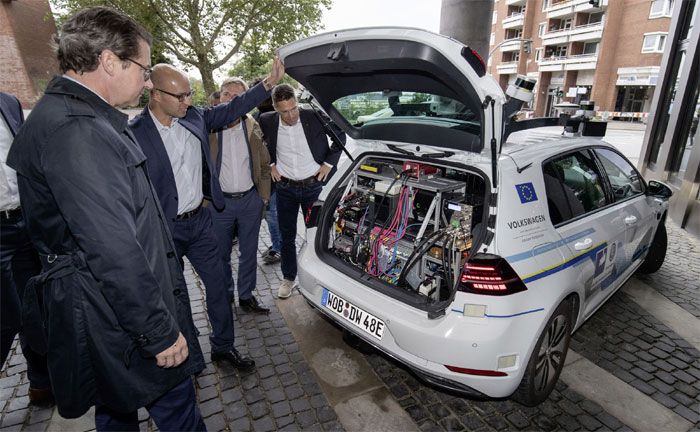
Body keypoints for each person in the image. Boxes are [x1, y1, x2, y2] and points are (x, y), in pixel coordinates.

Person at [6, 7, 206, 431]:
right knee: (176, 414)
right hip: (118, 318)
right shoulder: (77, 131)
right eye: (144, 68)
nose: (148, 80)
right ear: (110, 61)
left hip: (105, 313)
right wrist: (158, 331)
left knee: (116, 411)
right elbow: (112, 247)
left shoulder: (72, 116)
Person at [129, 60, 283, 368]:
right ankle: (190, 360)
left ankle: (223, 347)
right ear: (154, 93)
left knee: (218, 287)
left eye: (189, 94)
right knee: (176, 297)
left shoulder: (195, 118)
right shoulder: (134, 133)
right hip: (163, 230)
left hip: (200, 223)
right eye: (180, 96)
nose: (188, 101)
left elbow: (233, 107)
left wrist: (267, 83)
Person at [259, 84, 345, 299]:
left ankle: (321, 278)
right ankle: (289, 278)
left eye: (293, 108)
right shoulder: (266, 120)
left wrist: (327, 163)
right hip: (285, 188)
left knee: (317, 234)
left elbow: (340, 136)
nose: (290, 115)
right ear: (275, 108)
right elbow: (258, 145)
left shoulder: (313, 115)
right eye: (284, 111)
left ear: (297, 103)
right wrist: (270, 165)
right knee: (286, 238)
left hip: (313, 186)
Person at [0, 92, 53, 407]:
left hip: (23, 220)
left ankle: (42, 382)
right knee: (7, 316)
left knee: (35, 305)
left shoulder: (8, 102)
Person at [209, 77, 271, 314]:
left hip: (249, 202)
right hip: (219, 204)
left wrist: (263, 197)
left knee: (249, 253)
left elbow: (265, 165)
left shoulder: (252, 125)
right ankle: (225, 296)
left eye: (238, 96)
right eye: (227, 94)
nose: (232, 100)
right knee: (220, 255)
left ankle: (246, 295)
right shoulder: (208, 127)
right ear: (219, 97)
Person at [249, 77, 281, 265]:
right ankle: (278, 244)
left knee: (271, 212)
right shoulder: (256, 116)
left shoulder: (266, 116)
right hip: (266, 174)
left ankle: (279, 247)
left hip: (272, 175)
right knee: (271, 212)